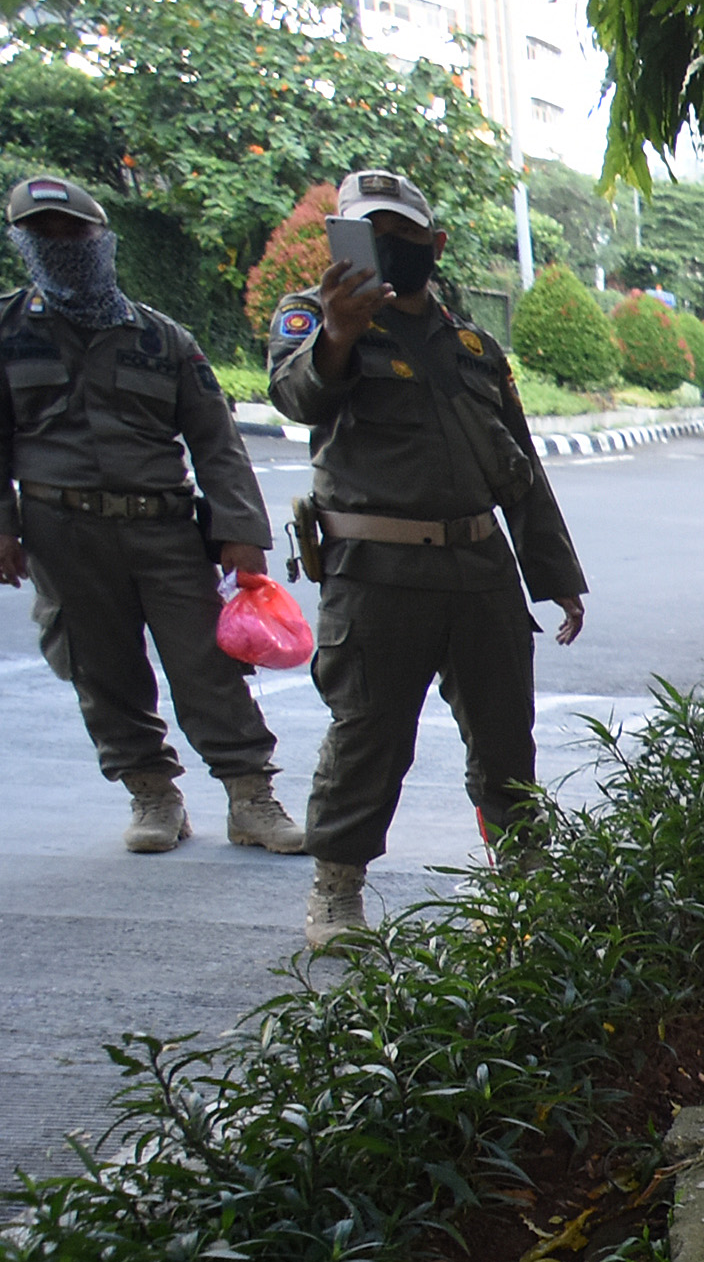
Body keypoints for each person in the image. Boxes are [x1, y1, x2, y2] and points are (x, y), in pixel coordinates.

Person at [266, 169, 588, 952]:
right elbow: (296, 397)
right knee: (369, 738)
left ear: (433, 246)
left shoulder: (474, 347)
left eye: (402, 237)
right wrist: (339, 333)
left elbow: (521, 470)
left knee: (507, 740)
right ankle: (336, 891)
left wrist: (558, 578)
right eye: (367, 233)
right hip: (376, 578)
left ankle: (525, 882)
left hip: (480, 572)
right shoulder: (316, 319)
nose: (385, 248)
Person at [0, 174, 301, 857]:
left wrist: (240, 535)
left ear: (101, 241)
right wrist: (4, 529)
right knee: (101, 670)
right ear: (22, 243)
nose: (60, 247)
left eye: (73, 234)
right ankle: (152, 793)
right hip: (62, 530)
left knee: (208, 664)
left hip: (163, 527)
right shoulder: (8, 331)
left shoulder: (161, 338)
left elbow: (217, 443)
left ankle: (250, 796)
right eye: (42, 235)